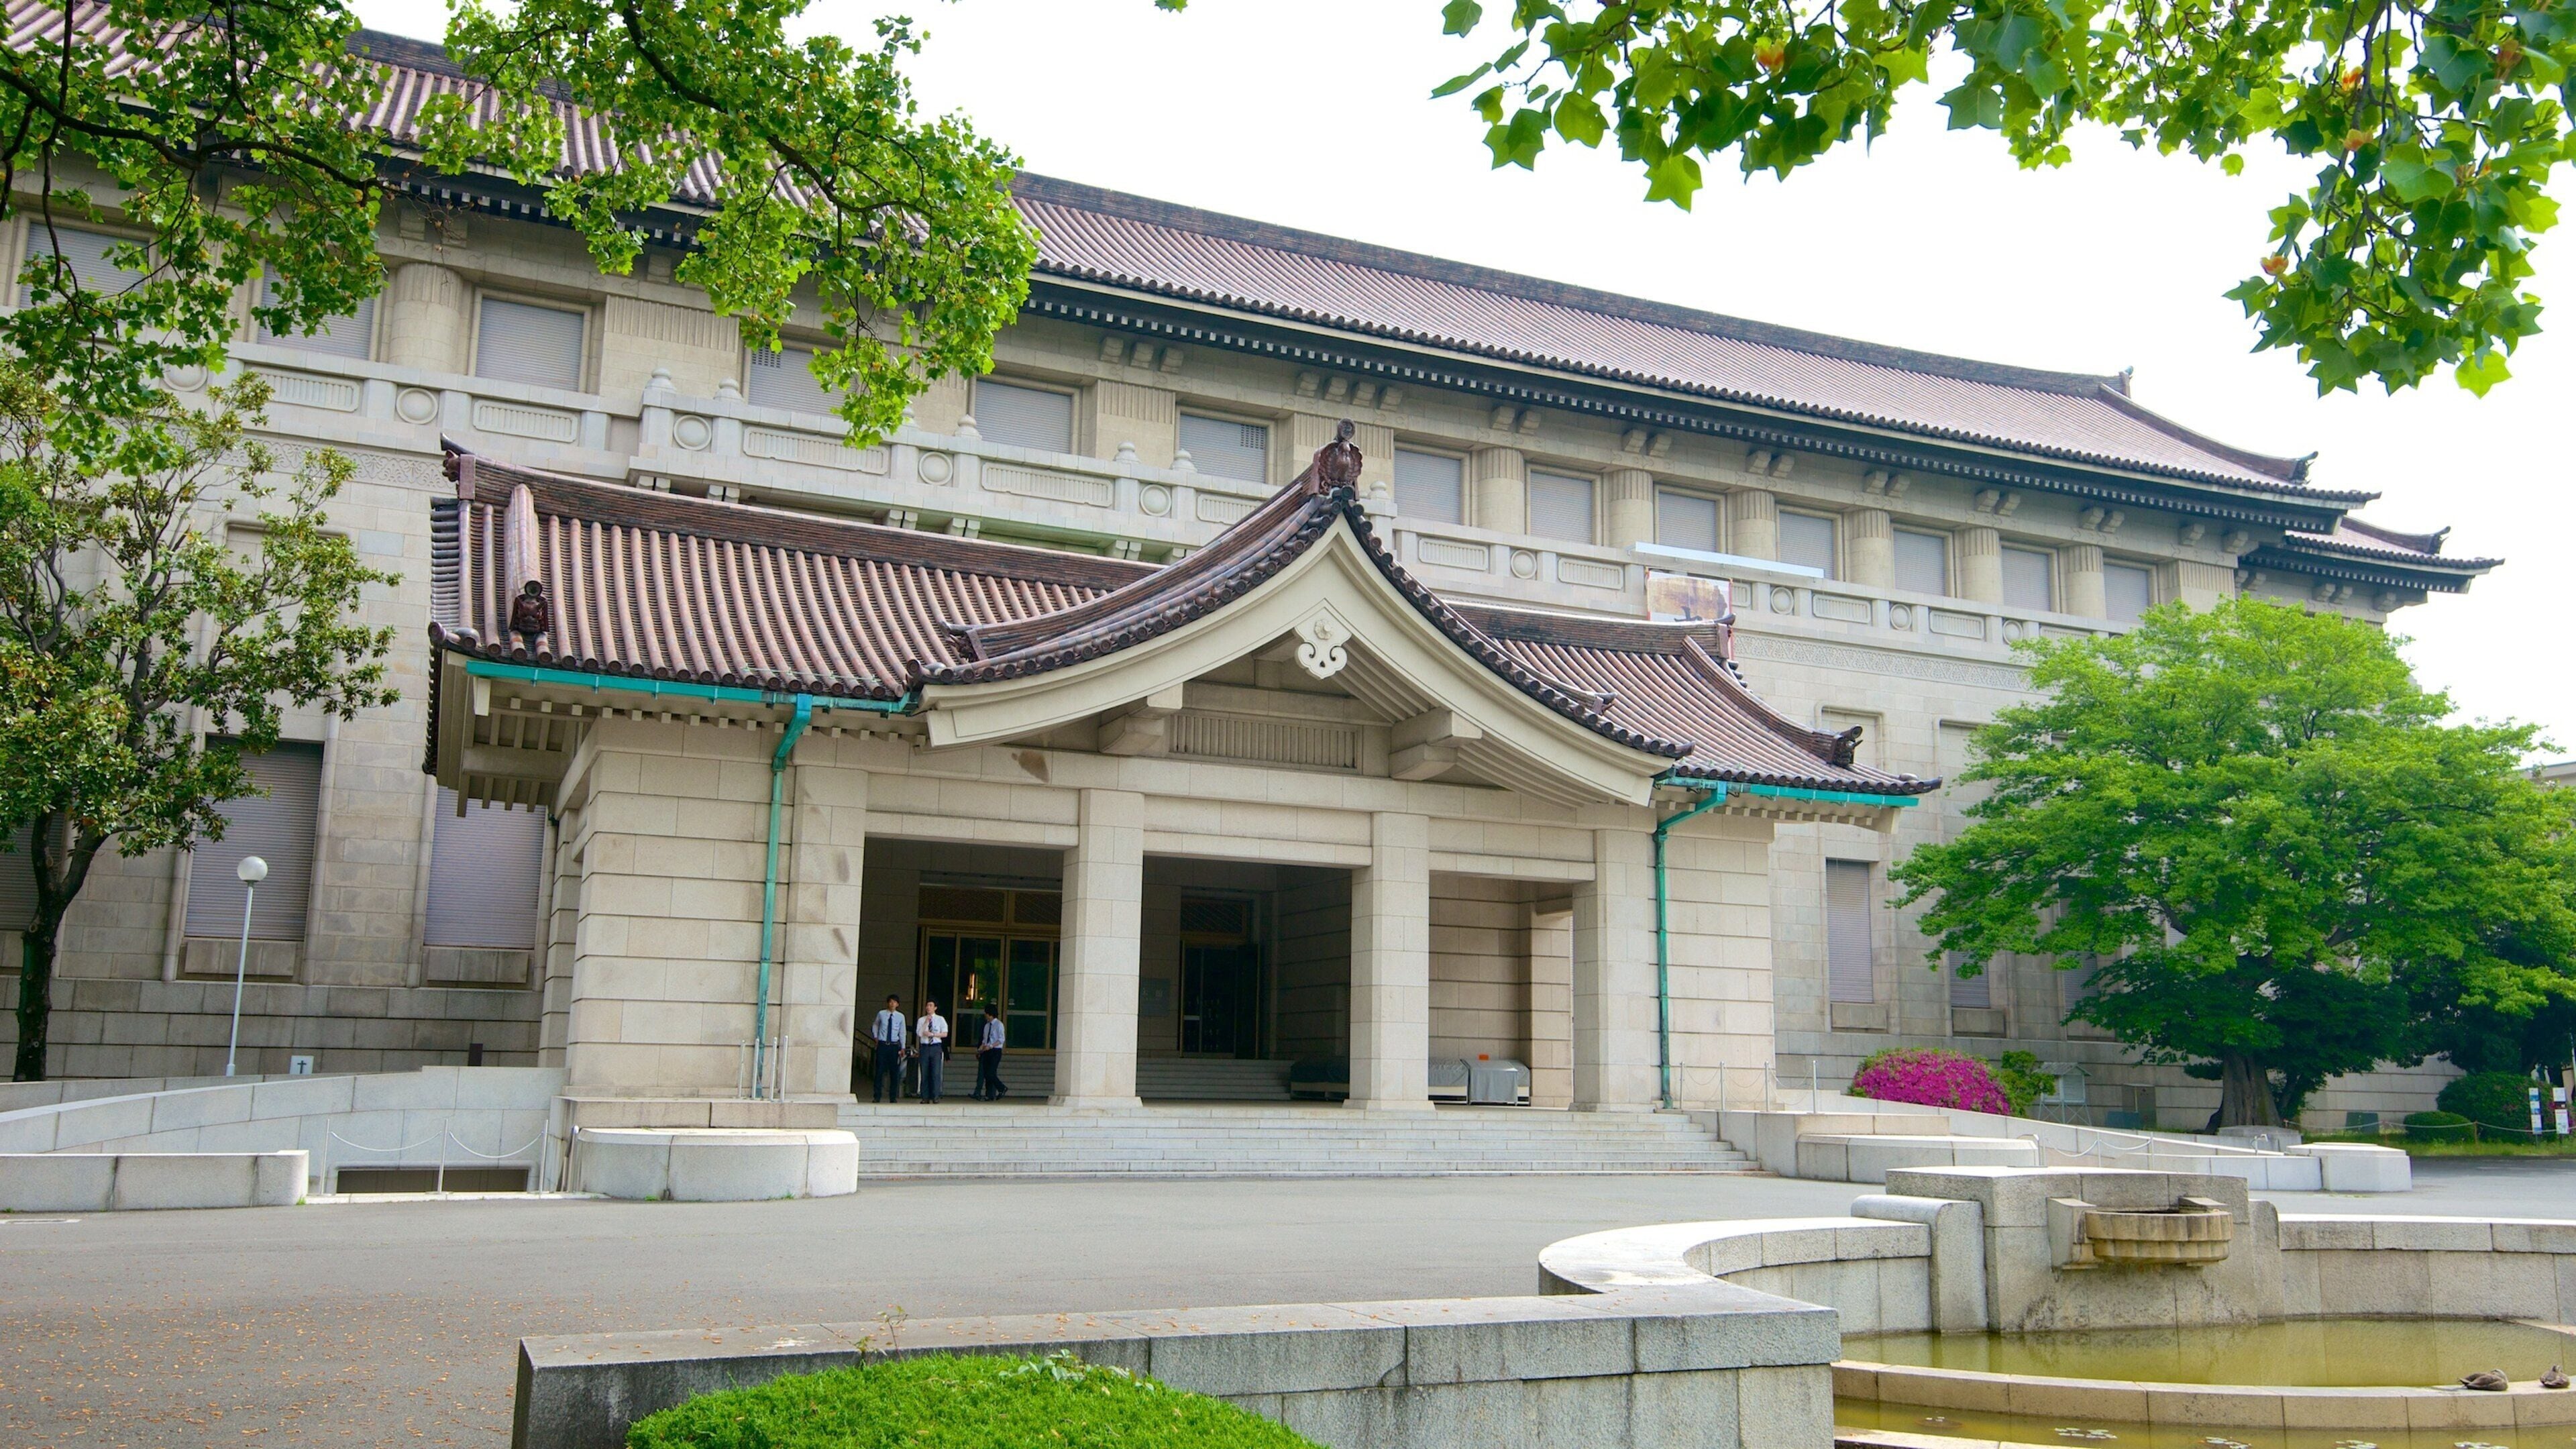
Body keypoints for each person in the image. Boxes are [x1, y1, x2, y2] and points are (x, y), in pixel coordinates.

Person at [867, 994, 906, 1104]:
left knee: (894, 1072)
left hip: (894, 1045)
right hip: (883, 1044)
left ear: (898, 1004)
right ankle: (877, 1096)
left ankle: (893, 1097)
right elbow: (875, 1025)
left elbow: (902, 1032)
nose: (892, 1004)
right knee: (879, 1071)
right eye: (890, 1002)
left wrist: (903, 1047)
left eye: (895, 1002)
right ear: (888, 1003)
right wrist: (876, 1036)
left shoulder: (900, 1016)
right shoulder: (881, 1014)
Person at [914, 998, 949, 1104]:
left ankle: (936, 1096)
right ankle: (925, 1096)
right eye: (927, 1005)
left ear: (935, 1008)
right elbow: (919, 1034)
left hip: (936, 1047)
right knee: (924, 1072)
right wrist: (926, 1022)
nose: (928, 1007)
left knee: (935, 1072)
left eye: (931, 1005)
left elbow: (945, 1033)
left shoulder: (940, 1019)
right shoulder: (921, 1020)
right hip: (925, 1047)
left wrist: (933, 1034)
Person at [973, 1004, 1008, 1101]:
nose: (985, 1015)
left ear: (990, 1014)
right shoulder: (987, 1026)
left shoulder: (999, 1025)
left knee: (991, 1072)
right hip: (987, 1051)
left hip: (995, 1051)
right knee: (987, 1073)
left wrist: (991, 1046)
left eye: (986, 1013)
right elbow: (985, 1040)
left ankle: (1002, 1088)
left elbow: (1001, 1039)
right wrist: (980, 1049)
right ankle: (990, 1094)